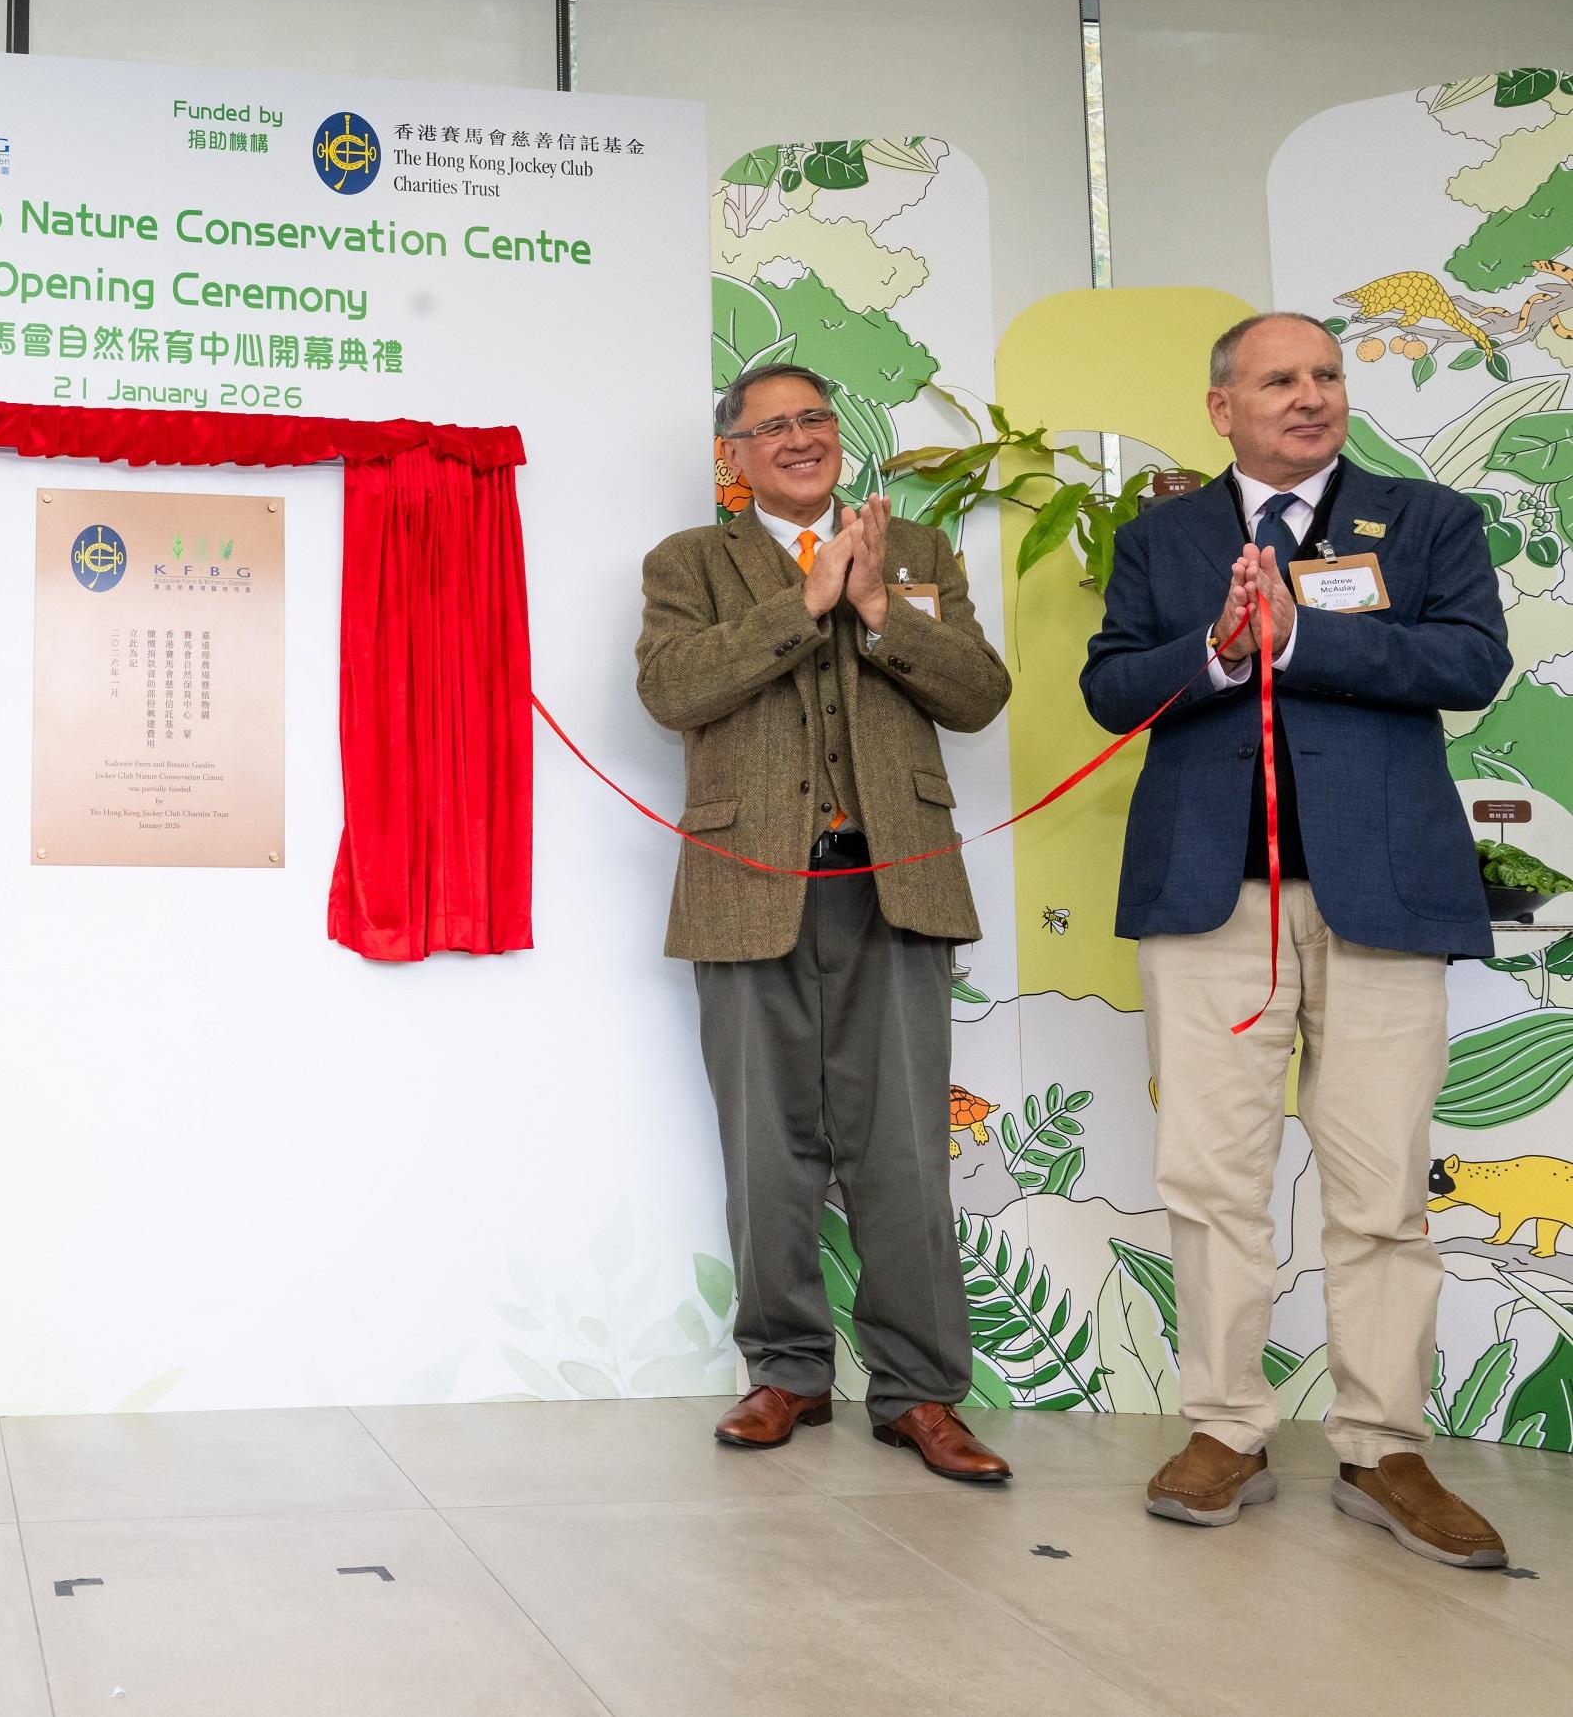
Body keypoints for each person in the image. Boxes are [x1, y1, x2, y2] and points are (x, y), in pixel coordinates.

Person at [1083, 312, 1510, 1567]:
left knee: (1383, 1190)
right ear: (1223, 407)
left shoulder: (1424, 519)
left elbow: (1471, 659)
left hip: (1383, 898)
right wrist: (1214, 650)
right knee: (1212, 1183)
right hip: (1213, 905)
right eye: (1281, 380)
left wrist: (1301, 636)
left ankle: (1385, 1448)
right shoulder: (1160, 537)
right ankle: (1225, 1430)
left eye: (1326, 374)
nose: (1311, 396)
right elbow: (1113, 686)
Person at [637, 361, 1015, 1481]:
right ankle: (788, 1371)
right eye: (773, 425)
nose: (800, 436)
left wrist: (876, 609)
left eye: (816, 416)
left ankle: (919, 1393)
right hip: (746, 884)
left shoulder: (917, 554)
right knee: (769, 1149)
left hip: (894, 881)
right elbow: (674, 689)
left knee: (902, 1148)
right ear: (734, 455)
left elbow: (979, 694)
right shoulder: (690, 564)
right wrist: (805, 605)